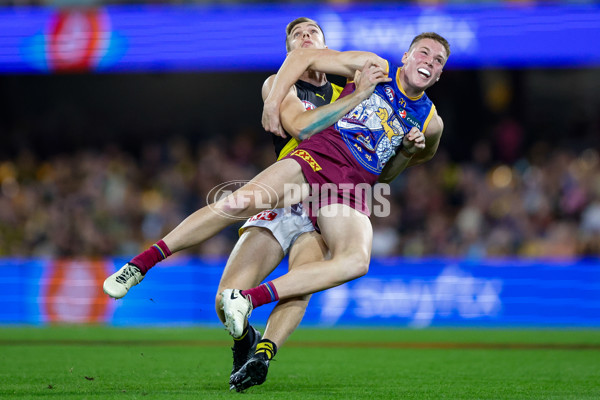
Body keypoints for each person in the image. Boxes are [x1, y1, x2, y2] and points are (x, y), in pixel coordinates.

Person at [106, 31, 449, 390]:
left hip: (351, 187)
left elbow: (386, 172)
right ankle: (140, 264)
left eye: (437, 60)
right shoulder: (359, 69)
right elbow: (302, 120)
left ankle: (261, 339)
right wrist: (272, 103)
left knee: (353, 262)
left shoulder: (430, 123)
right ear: (406, 55)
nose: (429, 61)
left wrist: (408, 151)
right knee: (235, 209)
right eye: (423, 53)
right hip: (315, 163)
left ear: (440, 73)